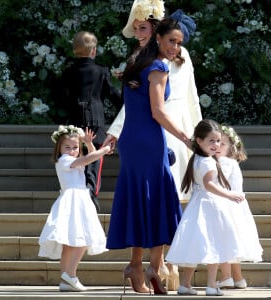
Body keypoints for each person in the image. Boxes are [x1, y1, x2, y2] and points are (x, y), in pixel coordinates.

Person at [103, 0, 202, 290]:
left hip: (135, 139)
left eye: (178, 42)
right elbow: (158, 110)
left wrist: (117, 132)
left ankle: (140, 267)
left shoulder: (136, 60)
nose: (175, 47)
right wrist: (186, 137)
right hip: (152, 136)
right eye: (171, 40)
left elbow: (137, 105)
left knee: (141, 199)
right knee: (158, 199)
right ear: (158, 37)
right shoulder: (157, 66)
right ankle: (152, 268)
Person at [166, 119, 248, 296]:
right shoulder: (208, 161)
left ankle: (185, 284)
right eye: (211, 140)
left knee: (194, 244)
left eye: (218, 141)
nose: (216, 145)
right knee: (215, 244)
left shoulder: (197, 157)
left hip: (197, 206)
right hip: (211, 205)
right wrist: (230, 195)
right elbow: (209, 184)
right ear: (199, 141)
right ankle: (211, 285)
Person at [38, 125, 111, 292]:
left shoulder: (74, 160)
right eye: (67, 147)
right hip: (73, 200)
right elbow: (86, 160)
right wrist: (104, 149)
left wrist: (89, 144)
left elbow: (91, 159)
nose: (72, 151)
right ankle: (70, 274)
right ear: (60, 148)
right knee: (83, 238)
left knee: (70, 244)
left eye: (75, 147)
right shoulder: (64, 160)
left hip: (79, 199)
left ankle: (65, 280)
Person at [55, 31, 122, 211]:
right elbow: (115, 98)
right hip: (96, 123)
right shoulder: (101, 71)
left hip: (75, 123)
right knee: (93, 163)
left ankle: (77, 199)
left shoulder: (68, 72)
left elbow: (61, 99)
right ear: (93, 51)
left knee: (74, 160)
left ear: (75, 51)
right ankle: (91, 197)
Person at [215, 125, 263, 289]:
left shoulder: (224, 162)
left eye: (223, 143)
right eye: (216, 142)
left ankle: (226, 276)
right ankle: (238, 278)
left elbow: (219, 183)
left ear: (231, 148)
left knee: (224, 243)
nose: (218, 146)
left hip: (227, 207)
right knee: (233, 244)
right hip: (236, 207)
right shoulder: (231, 162)